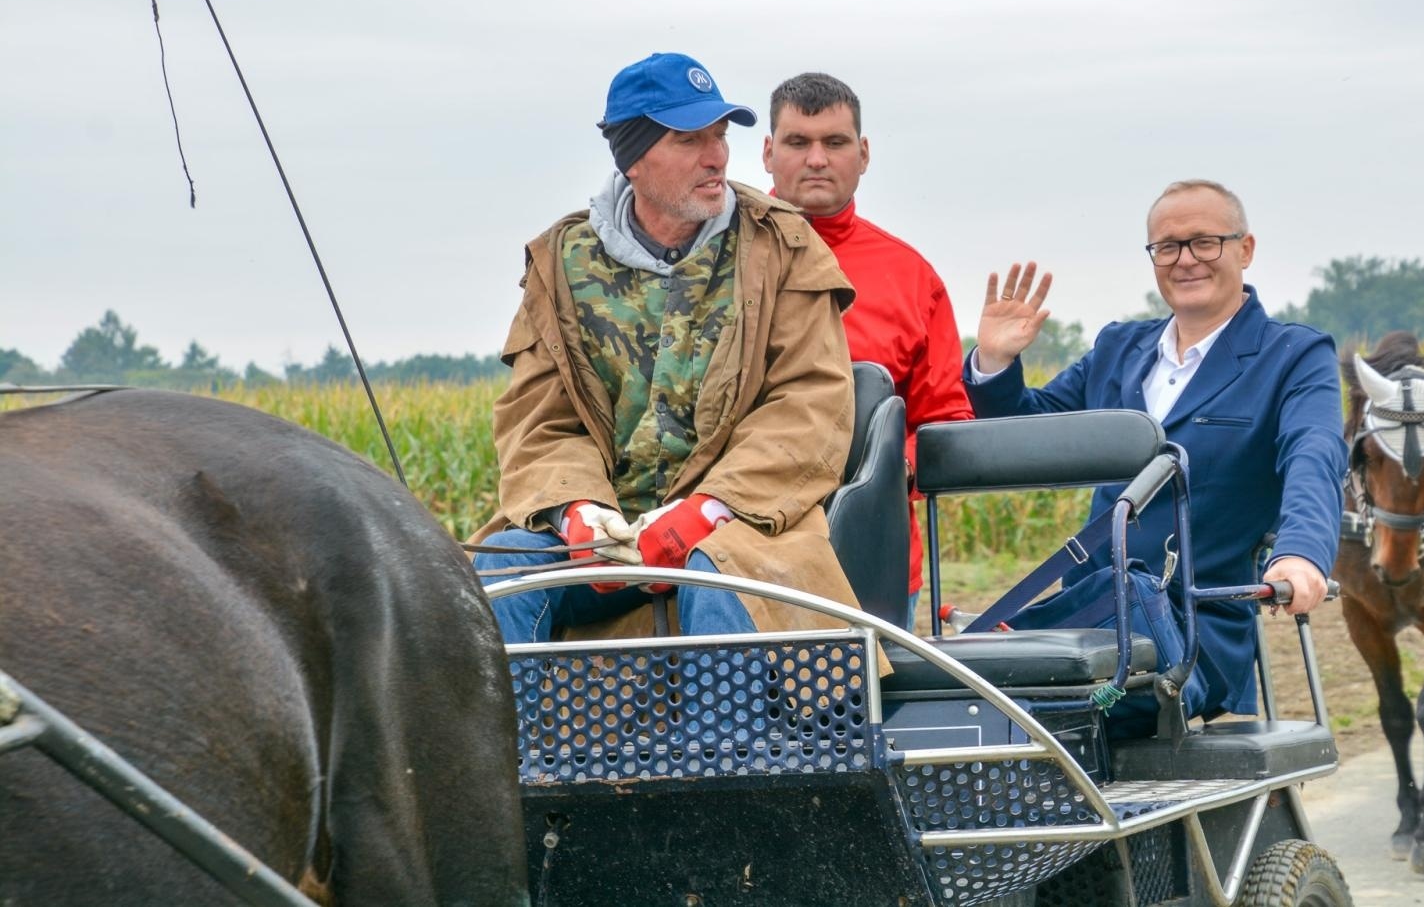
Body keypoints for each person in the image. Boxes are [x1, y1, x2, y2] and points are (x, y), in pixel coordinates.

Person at [469, 52, 862, 644]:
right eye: (689, 139)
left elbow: (810, 401)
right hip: (605, 544)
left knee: (719, 573)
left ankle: (728, 742)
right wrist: (577, 513)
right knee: (505, 566)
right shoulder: (560, 264)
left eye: (720, 135)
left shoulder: (782, 245)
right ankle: (511, 741)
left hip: (748, 526)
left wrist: (709, 507)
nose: (717, 156)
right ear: (633, 158)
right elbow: (538, 420)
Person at [964, 179, 1345, 734]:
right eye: (1167, 247)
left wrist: (1302, 555)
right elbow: (1031, 435)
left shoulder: (1293, 355)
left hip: (1196, 632)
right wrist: (995, 364)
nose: (1185, 260)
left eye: (1205, 242)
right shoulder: (1119, 348)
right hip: (1093, 617)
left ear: (1246, 249)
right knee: (964, 694)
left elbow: (1314, 454)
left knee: (1030, 717)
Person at [763, 72, 973, 632]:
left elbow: (944, 423)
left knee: (868, 717)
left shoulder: (911, 277)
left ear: (863, 153)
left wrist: (889, 465)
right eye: (797, 142)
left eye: (834, 143)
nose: (816, 159)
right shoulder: (712, 261)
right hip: (740, 557)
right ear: (767, 152)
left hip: (870, 560)